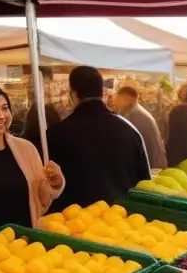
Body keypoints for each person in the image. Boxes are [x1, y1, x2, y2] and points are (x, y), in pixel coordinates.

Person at [47, 66, 150, 210]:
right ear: (102, 92)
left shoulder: (56, 134)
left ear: (73, 94)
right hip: (121, 222)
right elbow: (145, 185)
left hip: (71, 224)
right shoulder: (129, 130)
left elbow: (49, 185)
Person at [0, 84, 65, 229]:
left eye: (5, 108)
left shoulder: (27, 149)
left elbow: (42, 200)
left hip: (25, 244)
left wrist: (54, 183)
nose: (1, 115)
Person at [113, 85, 167, 169]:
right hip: (150, 163)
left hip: (153, 166)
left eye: (117, 97)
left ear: (127, 99)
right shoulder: (130, 113)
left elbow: (132, 146)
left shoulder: (138, 117)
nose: (115, 100)